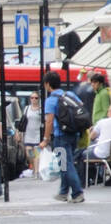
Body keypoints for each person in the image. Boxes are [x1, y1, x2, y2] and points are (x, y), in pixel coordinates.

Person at [42, 69, 85, 202]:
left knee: (66, 165)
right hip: (74, 134)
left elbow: (49, 121)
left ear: (48, 84)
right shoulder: (70, 94)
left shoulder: (50, 100)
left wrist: (45, 139)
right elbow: (81, 106)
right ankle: (63, 192)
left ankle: (78, 193)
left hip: (61, 136)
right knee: (66, 164)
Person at [22, 92, 44, 172]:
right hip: (28, 135)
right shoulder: (27, 108)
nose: (34, 99)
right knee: (29, 155)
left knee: (36, 154)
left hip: (37, 135)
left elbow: (45, 121)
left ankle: (36, 171)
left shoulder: (41, 110)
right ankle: (34, 168)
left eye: (36, 98)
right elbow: (23, 121)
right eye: (32, 98)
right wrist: (20, 132)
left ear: (38, 99)